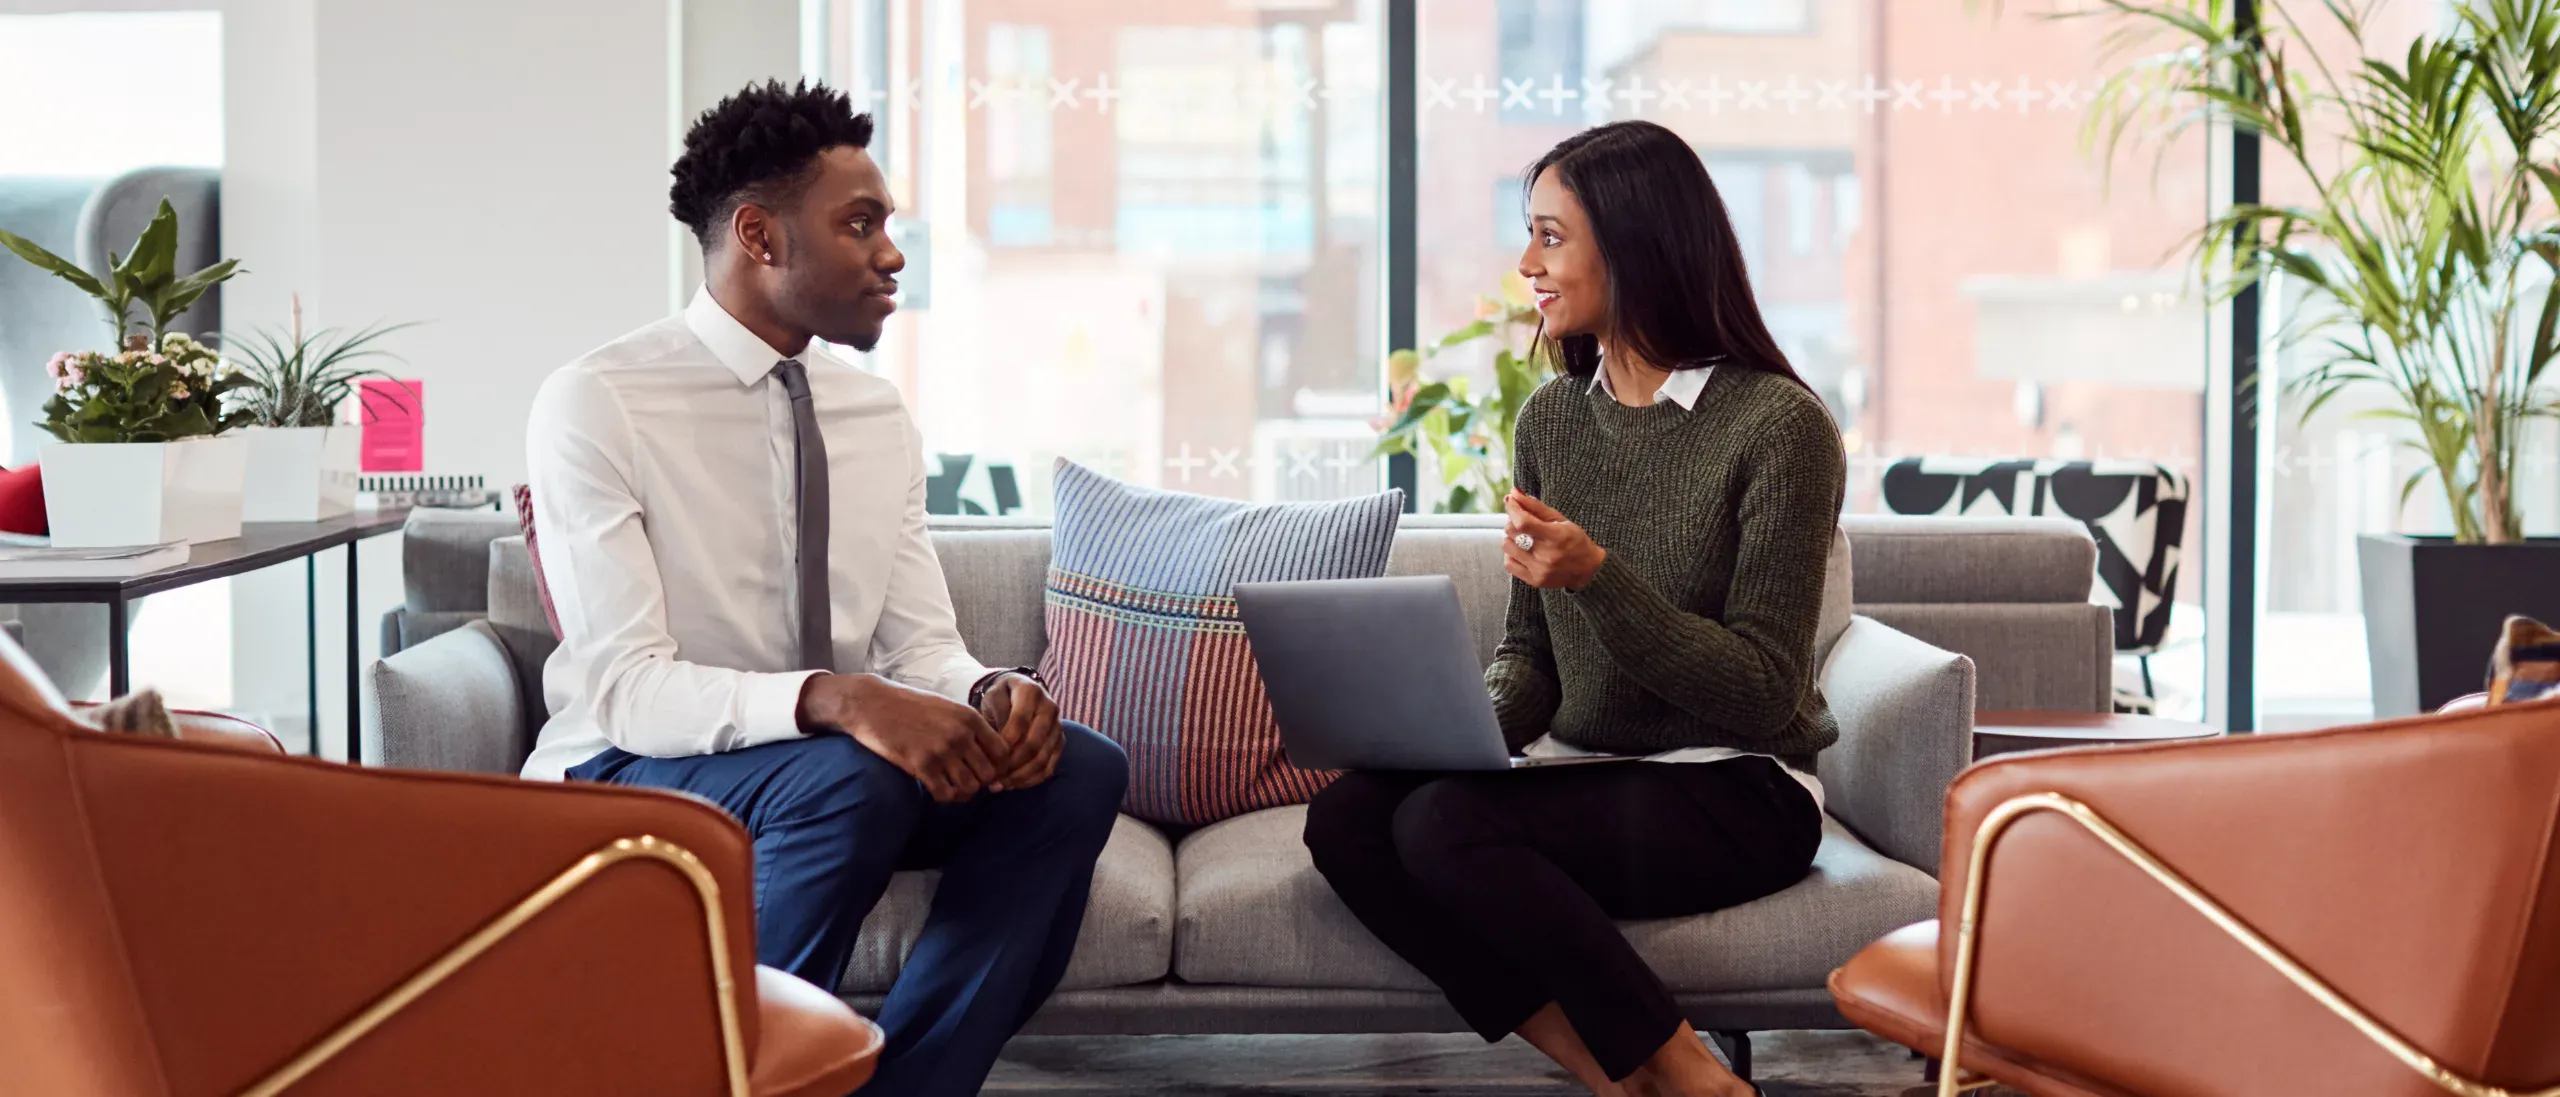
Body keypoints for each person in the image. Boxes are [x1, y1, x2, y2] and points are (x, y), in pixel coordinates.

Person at [521, 80, 1128, 1097]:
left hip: (839, 774)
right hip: (631, 766)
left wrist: (984, 691)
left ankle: (907, 1084)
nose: (892, 254)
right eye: (860, 225)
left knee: (1075, 768)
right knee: (853, 773)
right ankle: (736, 1074)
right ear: (759, 236)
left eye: (889, 225)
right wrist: (837, 699)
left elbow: (918, 644)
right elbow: (626, 684)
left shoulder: (872, 411)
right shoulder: (599, 400)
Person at [1301, 120, 1844, 1097]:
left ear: (1633, 244)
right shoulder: (1551, 419)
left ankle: (1691, 1074)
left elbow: (1764, 690)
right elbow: (1530, 654)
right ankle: (1608, 1070)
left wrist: (1599, 574)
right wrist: (1444, 728)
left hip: (1739, 789)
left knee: (1444, 827)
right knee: (1348, 817)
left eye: (1550, 236)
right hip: (1592, 776)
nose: (1526, 264)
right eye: (1529, 235)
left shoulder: (1778, 426)